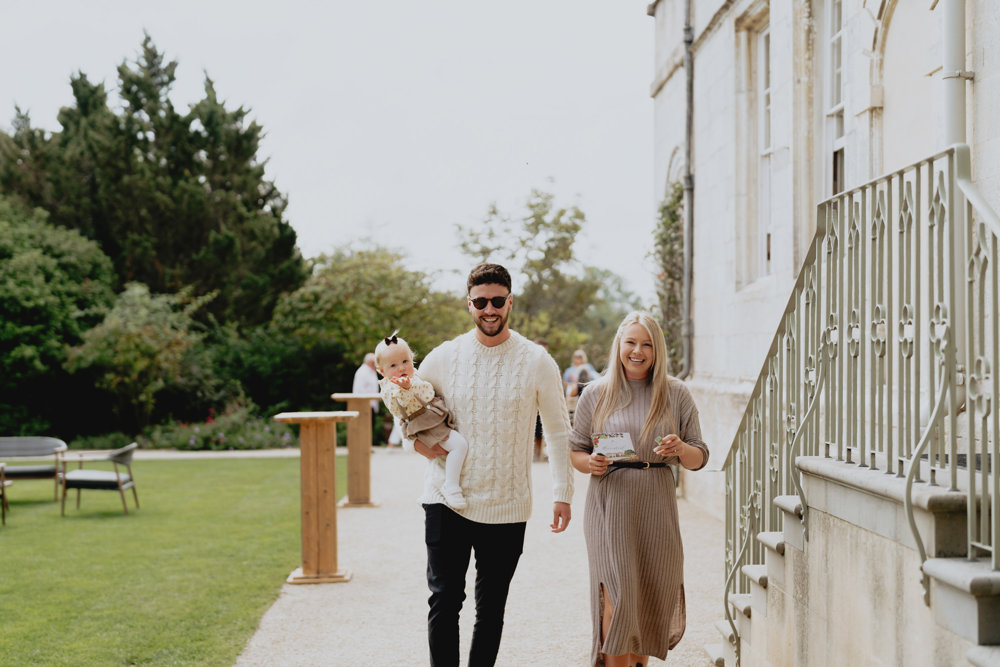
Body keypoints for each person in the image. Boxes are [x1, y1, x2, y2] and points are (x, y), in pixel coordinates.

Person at [407, 262, 574, 667]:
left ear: (510, 302)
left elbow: (558, 431)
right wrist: (419, 441)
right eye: (480, 302)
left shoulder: (536, 361)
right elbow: (402, 399)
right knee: (444, 600)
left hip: (507, 504)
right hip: (447, 500)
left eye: (497, 301)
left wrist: (562, 493)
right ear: (469, 304)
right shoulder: (445, 356)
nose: (489, 309)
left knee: (491, 610)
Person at [569, 311, 708, 667]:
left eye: (647, 344)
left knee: (646, 599)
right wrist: (591, 463)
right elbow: (576, 451)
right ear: (618, 345)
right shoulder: (595, 393)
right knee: (616, 600)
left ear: (657, 350)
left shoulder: (676, 393)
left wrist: (680, 449)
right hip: (609, 506)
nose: (638, 350)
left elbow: (699, 456)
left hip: (657, 504)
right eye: (631, 342)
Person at [374, 332, 468, 509]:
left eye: (405, 361)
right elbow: (400, 408)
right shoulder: (390, 389)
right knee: (459, 445)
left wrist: (411, 383)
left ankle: (448, 483)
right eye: (393, 365)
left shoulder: (413, 374)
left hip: (432, 415)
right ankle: (451, 486)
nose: (401, 368)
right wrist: (406, 389)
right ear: (382, 371)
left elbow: (427, 391)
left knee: (452, 449)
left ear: (412, 359)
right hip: (424, 423)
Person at [352, 352, 384, 445]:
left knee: (369, 427)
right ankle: (362, 447)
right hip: (364, 405)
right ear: (370, 362)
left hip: (370, 405)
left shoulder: (371, 371)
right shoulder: (363, 372)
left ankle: (366, 446)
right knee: (364, 427)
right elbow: (359, 389)